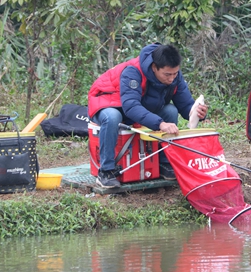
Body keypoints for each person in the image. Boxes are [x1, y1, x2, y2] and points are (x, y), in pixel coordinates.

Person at [88, 43, 208, 188]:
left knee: (170, 110)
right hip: (109, 102)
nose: (171, 79)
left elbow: (185, 105)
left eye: (175, 74)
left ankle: (164, 163)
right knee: (113, 117)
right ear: (154, 67)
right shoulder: (133, 71)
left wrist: (198, 113)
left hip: (138, 106)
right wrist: (160, 124)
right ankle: (106, 171)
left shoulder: (174, 76)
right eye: (167, 74)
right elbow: (131, 106)